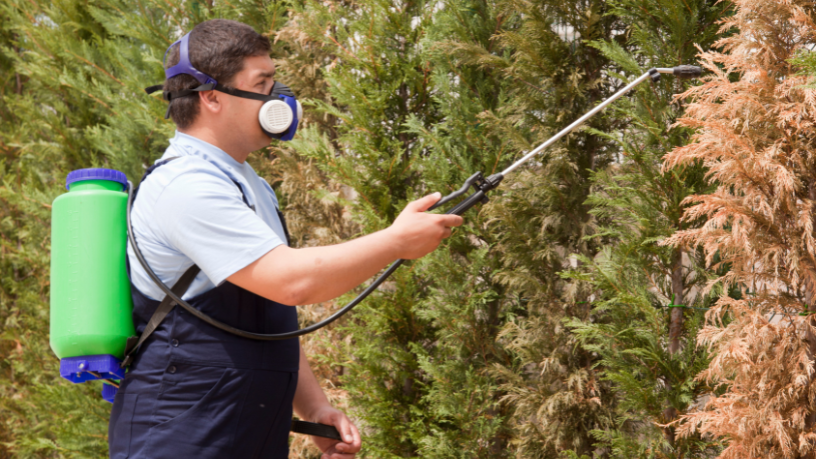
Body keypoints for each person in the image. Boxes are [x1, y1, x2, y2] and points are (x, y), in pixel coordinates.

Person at [107, 19, 463, 459]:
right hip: (179, 436)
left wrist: (314, 407)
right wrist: (395, 242)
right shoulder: (187, 185)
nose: (279, 98)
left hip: (241, 432)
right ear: (212, 97)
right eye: (263, 83)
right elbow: (293, 283)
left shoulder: (244, 180)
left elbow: (269, 315)